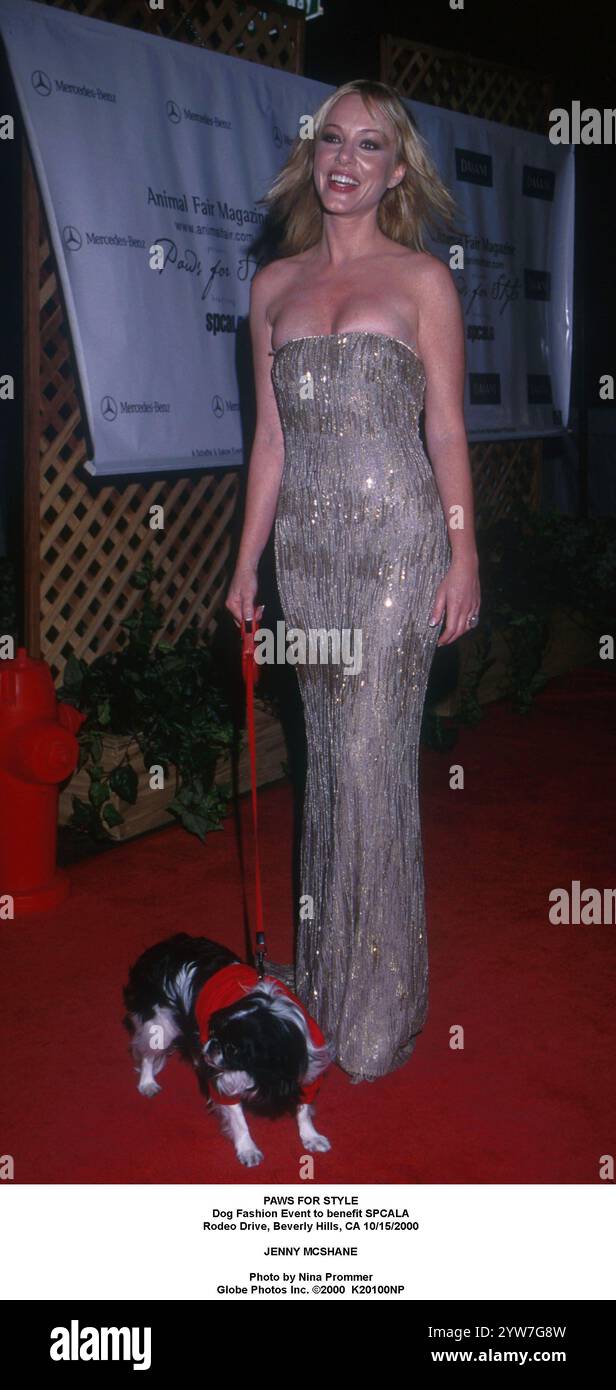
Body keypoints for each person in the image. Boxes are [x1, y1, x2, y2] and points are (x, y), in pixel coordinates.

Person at [225, 79, 480, 1082]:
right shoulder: (271, 286)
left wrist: (463, 552)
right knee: (326, 763)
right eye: (332, 138)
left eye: (370, 146)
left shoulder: (421, 280)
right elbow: (269, 442)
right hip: (308, 558)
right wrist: (246, 562)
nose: (345, 159)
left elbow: (446, 429)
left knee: (372, 759)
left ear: (395, 171)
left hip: (397, 546)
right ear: (311, 153)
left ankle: (376, 1008)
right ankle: (326, 980)